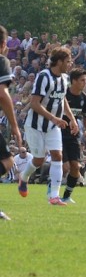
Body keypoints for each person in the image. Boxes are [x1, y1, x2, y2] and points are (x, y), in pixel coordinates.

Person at [19, 47, 78, 205]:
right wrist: (54, 118)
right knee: (38, 160)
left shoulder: (64, 78)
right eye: (68, 61)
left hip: (53, 126)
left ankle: (54, 196)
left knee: (57, 156)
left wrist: (71, 119)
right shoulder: (44, 76)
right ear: (59, 62)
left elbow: (62, 99)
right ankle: (23, 178)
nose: (70, 64)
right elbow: (34, 103)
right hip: (35, 125)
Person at [60, 68, 86, 204]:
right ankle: (52, 186)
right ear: (73, 81)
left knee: (76, 167)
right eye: (82, 80)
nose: (85, 83)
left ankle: (66, 195)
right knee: (65, 167)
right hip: (58, 133)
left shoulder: (85, 99)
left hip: (73, 135)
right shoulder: (63, 94)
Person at [0, 26, 22, 220]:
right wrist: (14, 126)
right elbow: (2, 93)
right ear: (4, 45)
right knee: (7, 162)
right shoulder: (1, 60)